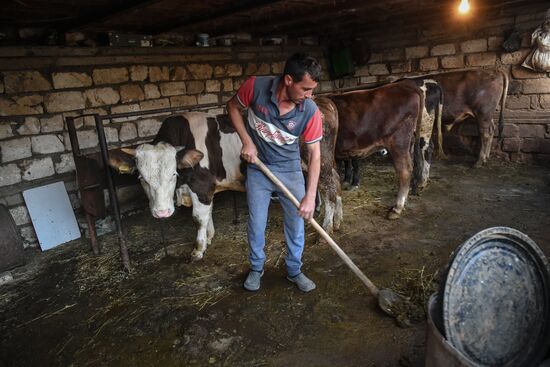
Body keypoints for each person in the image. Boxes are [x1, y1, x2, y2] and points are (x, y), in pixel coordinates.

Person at [227, 53, 323, 293]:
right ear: (289, 80)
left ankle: (294, 270)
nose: (310, 95)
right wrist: (247, 141)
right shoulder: (255, 87)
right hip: (258, 168)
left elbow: (315, 156)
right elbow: (232, 107)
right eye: (306, 89)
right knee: (257, 222)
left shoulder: (309, 110)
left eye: (312, 90)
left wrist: (310, 196)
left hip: (290, 170)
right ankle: (257, 268)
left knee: (296, 223)